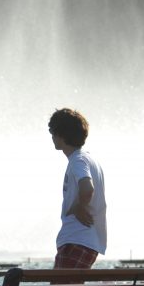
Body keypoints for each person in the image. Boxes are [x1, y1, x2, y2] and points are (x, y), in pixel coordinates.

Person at [49, 108, 106, 268]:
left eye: (52, 131)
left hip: (76, 240)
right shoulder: (89, 159)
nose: (51, 136)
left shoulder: (78, 160)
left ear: (62, 134)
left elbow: (87, 188)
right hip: (86, 242)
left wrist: (77, 207)